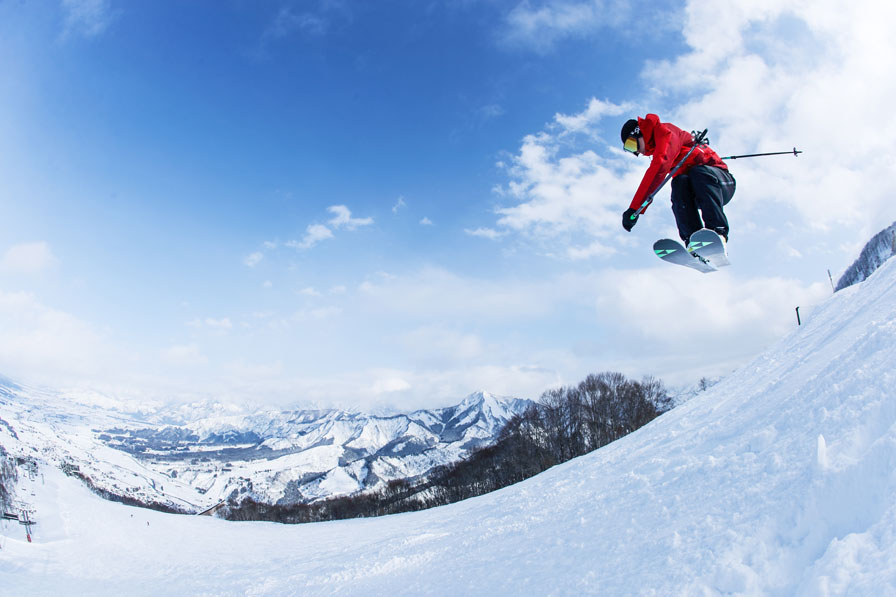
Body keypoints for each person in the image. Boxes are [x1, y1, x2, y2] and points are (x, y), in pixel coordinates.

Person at [620, 114, 736, 245]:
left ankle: (717, 233)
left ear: (638, 132)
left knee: (697, 172)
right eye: (629, 149)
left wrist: (635, 208)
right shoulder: (659, 148)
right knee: (678, 182)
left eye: (631, 145)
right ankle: (694, 240)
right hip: (699, 193)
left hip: (722, 184)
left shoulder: (665, 133)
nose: (636, 152)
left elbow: (660, 166)